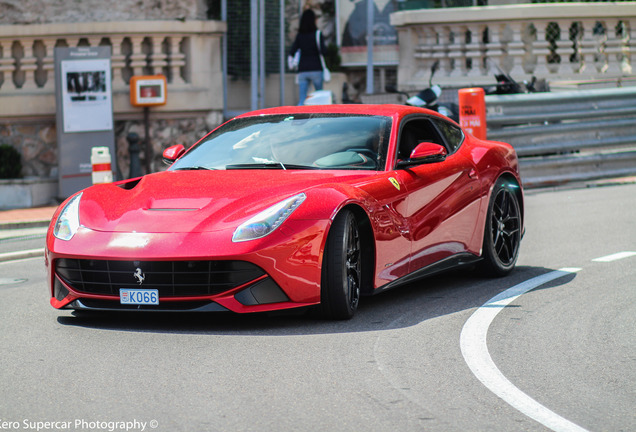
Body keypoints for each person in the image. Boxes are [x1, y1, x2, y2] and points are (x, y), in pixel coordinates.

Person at [289, 8, 327, 105]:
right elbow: (324, 51)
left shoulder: (300, 35)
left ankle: (300, 118)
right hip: (316, 68)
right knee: (320, 97)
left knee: (302, 98)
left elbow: (292, 51)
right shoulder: (317, 34)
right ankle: (321, 117)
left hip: (303, 70)